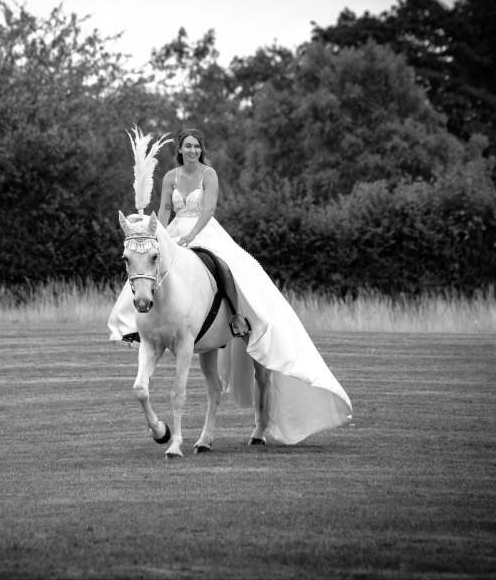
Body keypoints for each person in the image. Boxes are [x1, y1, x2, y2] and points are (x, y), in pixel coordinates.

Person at [108, 128, 352, 444]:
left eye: (196, 146)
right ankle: (133, 324)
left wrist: (191, 237)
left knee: (224, 268)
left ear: (201, 150)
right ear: (179, 150)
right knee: (146, 268)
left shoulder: (209, 174)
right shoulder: (170, 176)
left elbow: (207, 210)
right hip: (174, 234)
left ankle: (236, 317)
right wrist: (160, 238)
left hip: (205, 232)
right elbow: (165, 212)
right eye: (187, 146)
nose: (192, 151)